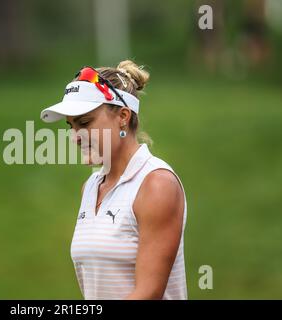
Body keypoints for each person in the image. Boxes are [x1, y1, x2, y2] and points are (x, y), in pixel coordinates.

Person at [40, 60, 188, 300]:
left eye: (85, 123)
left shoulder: (157, 185)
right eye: (71, 126)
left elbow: (148, 294)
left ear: (123, 116)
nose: (75, 138)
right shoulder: (89, 188)